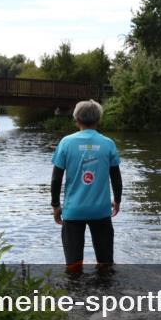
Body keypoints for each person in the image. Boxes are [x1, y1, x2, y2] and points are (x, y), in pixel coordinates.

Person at [50, 99, 122, 272]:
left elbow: (56, 179)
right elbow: (116, 178)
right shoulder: (108, 143)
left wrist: (55, 206)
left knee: (73, 266)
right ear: (98, 119)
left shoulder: (66, 143)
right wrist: (117, 200)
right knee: (106, 264)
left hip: (73, 211)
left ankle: (75, 294)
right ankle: (105, 293)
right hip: (101, 211)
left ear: (76, 119)